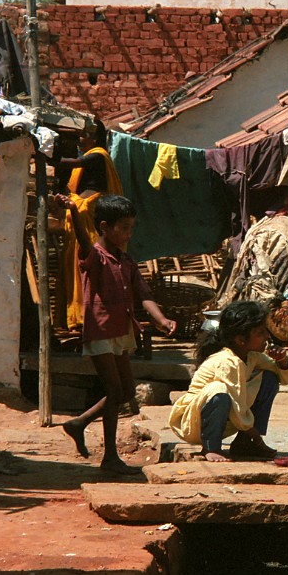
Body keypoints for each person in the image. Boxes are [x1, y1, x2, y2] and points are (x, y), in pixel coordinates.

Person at [56, 193, 177, 474]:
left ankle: (80, 423)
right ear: (104, 227)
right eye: (123, 227)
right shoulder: (94, 255)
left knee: (125, 390)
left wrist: (161, 319)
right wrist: (74, 211)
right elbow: (83, 241)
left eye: (131, 227)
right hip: (100, 330)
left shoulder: (126, 260)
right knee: (113, 389)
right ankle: (110, 457)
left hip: (122, 329)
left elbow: (143, 294)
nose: (128, 233)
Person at [168, 301, 288, 462]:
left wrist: (282, 360)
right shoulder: (226, 361)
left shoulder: (251, 356)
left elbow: (284, 376)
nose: (267, 337)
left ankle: (244, 443)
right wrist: (257, 438)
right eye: (260, 333)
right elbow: (237, 406)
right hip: (194, 422)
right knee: (219, 391)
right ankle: (210, 446)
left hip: (227, 416)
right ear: (241, 340)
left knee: (269, 379)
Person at [56, 118, 124, 331]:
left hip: (90, 222)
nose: (80, 138)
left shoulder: (98, 156)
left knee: (92, 266)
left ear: (95, 138)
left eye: (84, 134)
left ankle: (93, 316)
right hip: (81, 216)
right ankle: (79, 317)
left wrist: (47, 156)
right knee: (76, 266)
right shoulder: (90, 157)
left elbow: (74, 163)